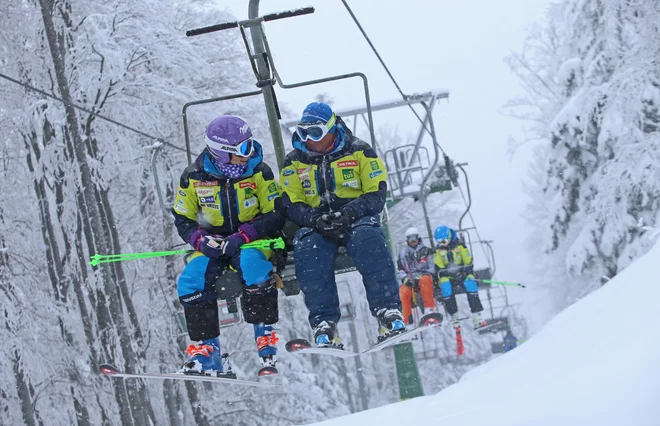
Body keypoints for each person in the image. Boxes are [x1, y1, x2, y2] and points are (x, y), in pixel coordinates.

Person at [278, 102, 405, 348]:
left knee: (369, 240)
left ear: (332, 129)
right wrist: (313, 219)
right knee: (308, 249)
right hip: (317, 224)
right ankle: (324, 324)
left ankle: (388, 311)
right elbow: (291, 202)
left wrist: (349, 213)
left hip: (357, 219)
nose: (310, 141)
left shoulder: (359, 152)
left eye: (315, 133)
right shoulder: (295, 161)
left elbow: (376, 193)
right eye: (303, 134)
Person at [172, 115, 285, 375]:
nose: (250, 153)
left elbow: (275, 212)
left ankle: (264, 333)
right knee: (191, 279)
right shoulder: (193, 177)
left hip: (252, 241)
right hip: (212, 245)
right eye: (243, 149)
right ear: (223, 153)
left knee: (253, 267)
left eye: (250, 144)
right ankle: (207, 349)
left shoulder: (258, 171)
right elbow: (183, 217)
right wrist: (200, 239)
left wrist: (244, 235)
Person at [433, 225, 487, 330]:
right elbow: (439, 266)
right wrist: (447, 274)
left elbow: (468, 262)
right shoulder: (438, 251)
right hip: (448, 276)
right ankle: (454, 317)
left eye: (443, 241)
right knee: (445, 287)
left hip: (463, 274)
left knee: (470, 283)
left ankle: (477, 316)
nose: (441, 244)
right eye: (439, 242)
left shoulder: (460, 246)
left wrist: (463, 273)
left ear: (448, 237)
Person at [397, 227, 438, 325]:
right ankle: (407, 321)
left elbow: (433, 268)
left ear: (418, 237)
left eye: (414, 237)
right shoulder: (403, 254)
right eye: (410, 238)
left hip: (425, 278)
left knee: (425, 279)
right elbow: (400, 269)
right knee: (403, 290)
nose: (413, 240)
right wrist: (406, 279)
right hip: (411, 281)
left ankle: (429, 310)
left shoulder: (427, 251)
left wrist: (420, 277)